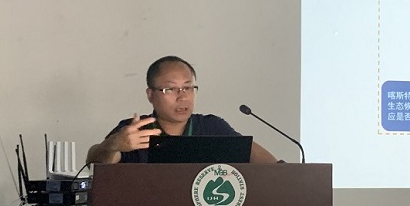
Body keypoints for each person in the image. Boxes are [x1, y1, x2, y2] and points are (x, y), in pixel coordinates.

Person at [86, 55, 278, 164]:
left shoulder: (211, 127)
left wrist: (285, 172)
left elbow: (255, 155)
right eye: (170, 89)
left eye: (188, 87)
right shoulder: (135, 130)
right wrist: (113, 145)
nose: (182, 96)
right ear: (150, 94)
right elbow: (93, 163)